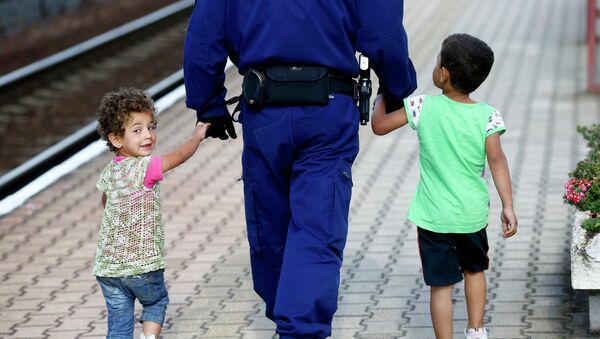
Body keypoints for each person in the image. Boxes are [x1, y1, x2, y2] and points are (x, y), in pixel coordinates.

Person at [183, 2, 417, 338]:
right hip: (328, 110)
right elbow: (383, 32)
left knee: (270, 224)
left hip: (264, 111)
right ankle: (299, 328)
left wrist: (209, 104)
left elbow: (203, 37)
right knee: (316, 227)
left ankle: (286, 316)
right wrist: (397, 88)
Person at [371, 33, 518, 339]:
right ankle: (476, 330)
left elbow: (379, 126)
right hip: (471, 215)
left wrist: (381, 98)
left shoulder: (423, 106)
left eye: (438, 60)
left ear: (444, 73)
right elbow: (498, 161)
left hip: (434, 217)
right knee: (475, 271)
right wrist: (507, 205)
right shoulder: (487, 115)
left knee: (441, 286)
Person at [93, 87, 210, 339]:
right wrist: (197, 136)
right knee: (156, 302)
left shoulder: (109, 173)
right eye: (137, 130)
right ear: (116, 139)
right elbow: (179, 155)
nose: (148, 135)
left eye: (151, 127)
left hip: (108, 270)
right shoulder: (146, 167)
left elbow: (106, 202)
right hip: (143, 265)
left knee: (119, 323)